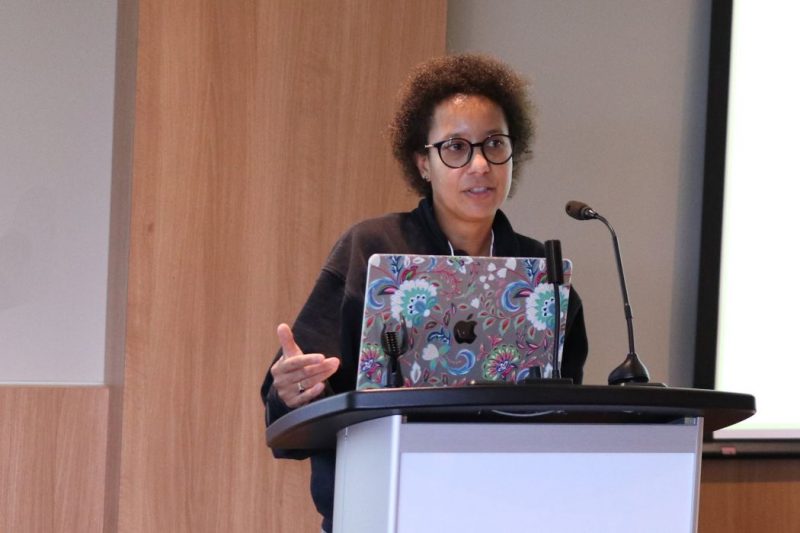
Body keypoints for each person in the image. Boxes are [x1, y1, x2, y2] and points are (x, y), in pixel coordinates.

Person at [260, 53, 589, 532]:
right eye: (456, 147)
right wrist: (292, 391)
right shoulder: (371, 250)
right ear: (423, 162)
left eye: (494, 144)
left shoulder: (544, 274)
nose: (480, 164)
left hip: (509, 511)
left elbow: (566, 410)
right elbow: (296, 405)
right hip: (380, 509)